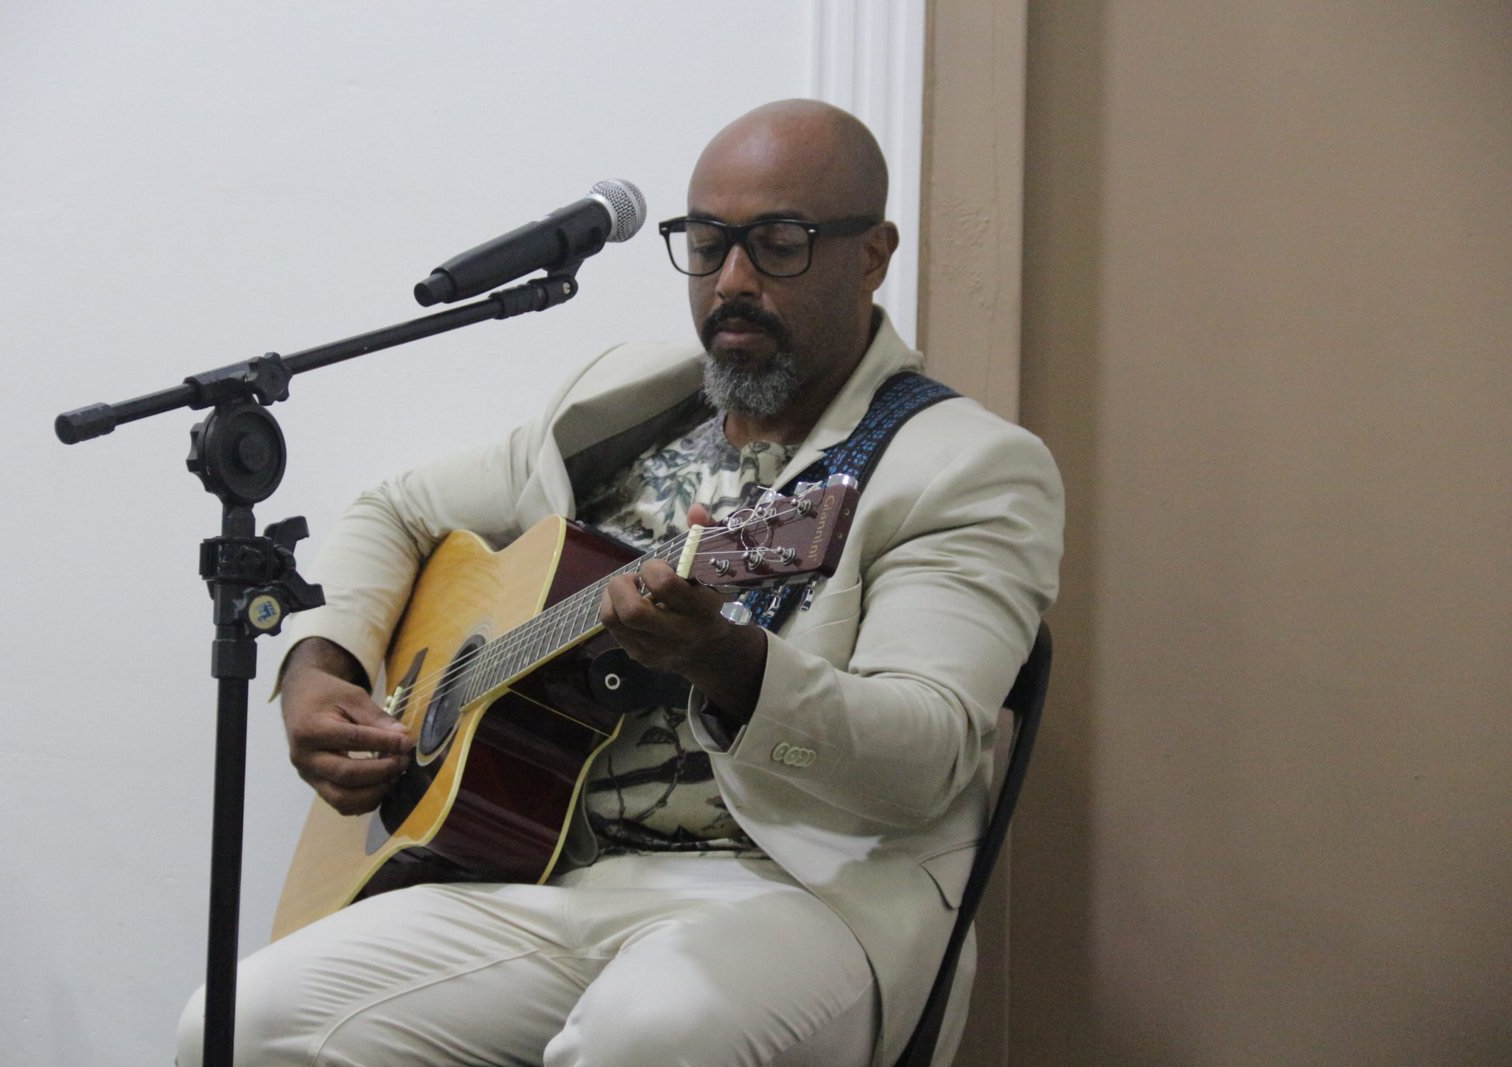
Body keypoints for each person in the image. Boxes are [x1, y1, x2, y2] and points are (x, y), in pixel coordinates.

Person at [176, 98, 1063, 1067]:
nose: (732, 281)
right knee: (241, 1024)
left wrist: (729, 663)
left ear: (872, 255)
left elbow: (925, 753)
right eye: (707, 243)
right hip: (549, 869)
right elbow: (396, 507)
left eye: (778, 244)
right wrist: (322, 664)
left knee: (643, 1037)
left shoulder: (964, 465)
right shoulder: (624, 400)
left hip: (800, 891)